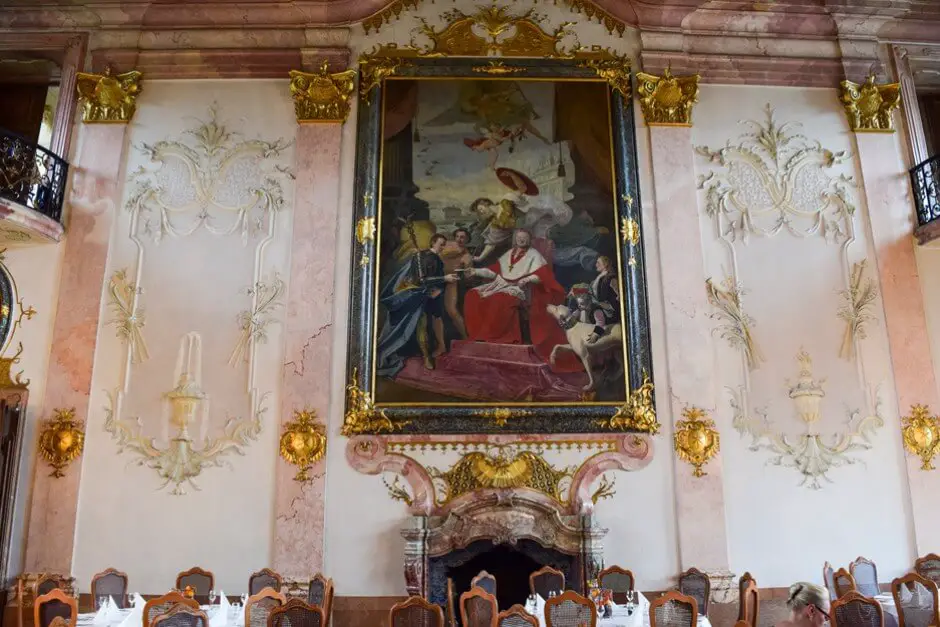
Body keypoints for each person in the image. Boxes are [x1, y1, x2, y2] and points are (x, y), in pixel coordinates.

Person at [463, 229, 578, 371]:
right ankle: (481, 334)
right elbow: (494, 270)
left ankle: (497, 337)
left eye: (524, 238)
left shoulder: (534, 255)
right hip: (500, 284)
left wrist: (528, 278)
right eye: (519, 237)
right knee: (472, 295)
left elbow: (541, 275)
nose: (521, 240)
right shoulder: (509, 253)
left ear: (529, 240)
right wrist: (476, 271)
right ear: (515, 239)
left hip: (522, 289)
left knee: (501, 299)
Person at [375, 233, 458, 374]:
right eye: (441, 244)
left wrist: (440, 287)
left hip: (435, 295)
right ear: (433, 243)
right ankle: (426, 357)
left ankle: (441, 346)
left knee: (437, 318)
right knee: (422, 325)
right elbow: (421, 280)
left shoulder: (436, 258)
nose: (443, 247)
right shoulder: (421, 257)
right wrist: (445, 278)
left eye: (444, 244)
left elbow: (436, 278)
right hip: (421, 295)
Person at [440, 227, 473, 338]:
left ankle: (466, 337)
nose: (459, 239)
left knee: (452, 310)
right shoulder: (446, 245)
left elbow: (468, 276)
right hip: (437, 277)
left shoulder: (467, 256)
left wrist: (467, 272)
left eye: (462, 237)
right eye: (457, 236)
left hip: (452, 281)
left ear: (467, 239)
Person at [469, 197, 518, 264]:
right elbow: (491, 242)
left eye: (481, 209)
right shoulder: (495, 223)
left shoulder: (505, 203)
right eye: (480, 211)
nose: (482, 212)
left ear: (486, 203)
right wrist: (480, 257)